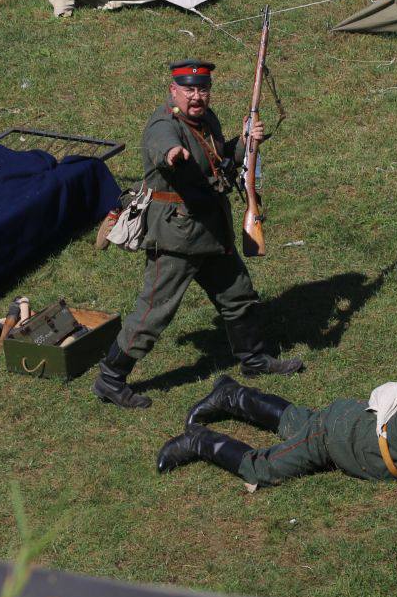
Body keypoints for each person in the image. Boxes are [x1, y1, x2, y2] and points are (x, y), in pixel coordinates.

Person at [92, 60, 303, 409]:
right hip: (177, 238)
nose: (196, 97)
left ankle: (253, 359)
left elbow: (220, 161)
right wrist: (172, 153)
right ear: (173, 90)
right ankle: (110, 379)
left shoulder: (207, 119)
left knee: (238, 294)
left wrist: (245, 142)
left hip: (211, 231)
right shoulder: (164, 124)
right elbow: (162, 147)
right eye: (189, 90)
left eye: (202, 90)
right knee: (154, 313)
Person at [156, 374, 397, 501]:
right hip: (335, 438)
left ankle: (230, 394)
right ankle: (197, 442)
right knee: (263, 468)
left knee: (294, 420)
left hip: (349, 421)